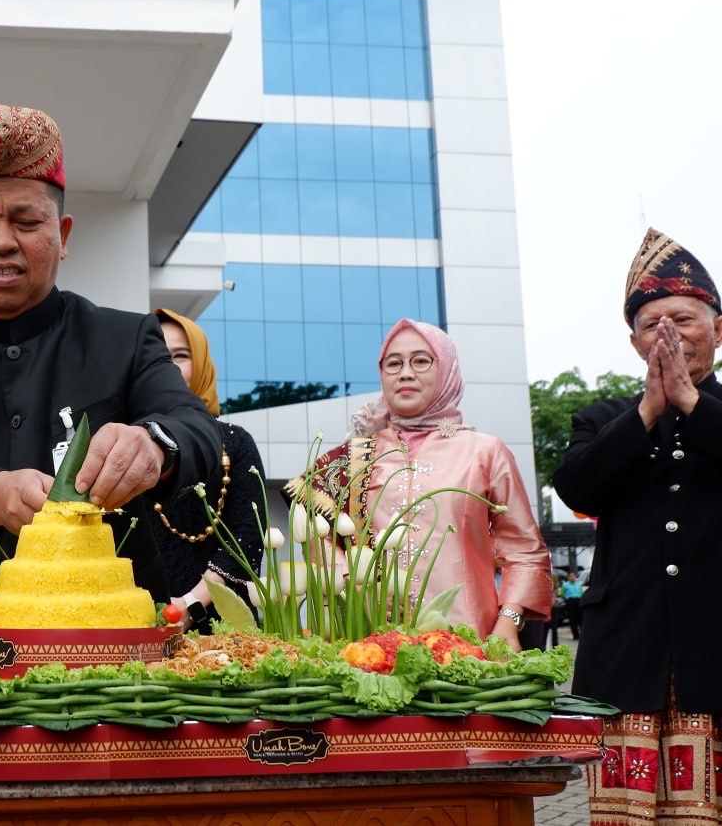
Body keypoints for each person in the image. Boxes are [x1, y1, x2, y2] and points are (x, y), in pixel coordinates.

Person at [0, 103, 219, 637]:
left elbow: (196, 428)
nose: (2, 240)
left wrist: (154, 445)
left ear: (63, 233)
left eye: (27, 222)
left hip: (110, 636)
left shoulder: (126, 337)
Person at [552, 227, 722, 824]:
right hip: (628, 646)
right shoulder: (603, 418)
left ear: (718, 331)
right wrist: (651, 410)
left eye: (684, 319)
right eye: (653, 325)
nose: (668, 335)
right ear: (633, 343)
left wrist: (691, 403)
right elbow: (576, 485)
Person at [285, 319, 553, 649]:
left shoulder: (485, 451)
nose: (406, 373)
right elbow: (313, 526)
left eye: (421, 361)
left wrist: (508, 623)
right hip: (372, 645)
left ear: (447, 369)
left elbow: (524, 549)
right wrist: (345, 575)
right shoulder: (357, 453)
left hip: (470, 643)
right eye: (393, 363)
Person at [152, 308, 266, 630]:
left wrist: (189, 606)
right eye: (157, 355)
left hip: (225, 630)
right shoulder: (122, 448)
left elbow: (246, 539)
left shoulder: (235, 444)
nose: (169, 366)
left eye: (180, 355)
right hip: (140, 628)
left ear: (200, 364)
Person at [559, 570, 583, 639]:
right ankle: (576, 635)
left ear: (576, 577)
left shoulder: (579, 584)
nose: (572, 577)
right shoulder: (565, 585)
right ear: (568, 577)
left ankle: (582, 634)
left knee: (581, 618)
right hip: (571, 601)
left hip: (579, 601)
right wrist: (566, 600)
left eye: (574, 576)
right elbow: (561, 594)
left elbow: (581, 593)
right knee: (572, 619)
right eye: (571, 576)